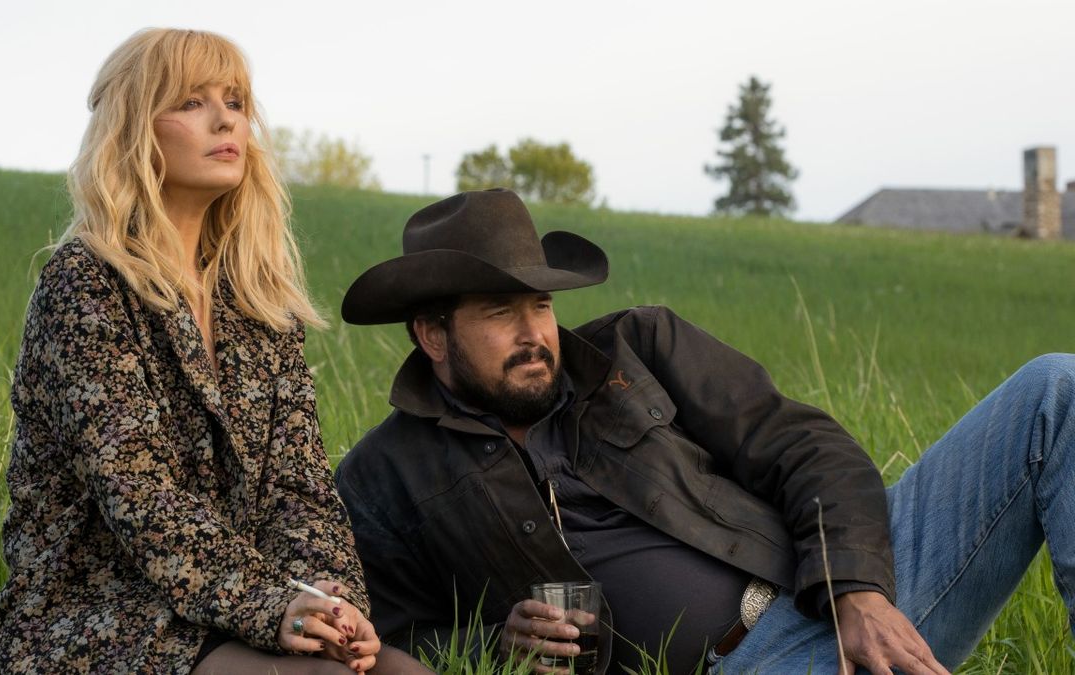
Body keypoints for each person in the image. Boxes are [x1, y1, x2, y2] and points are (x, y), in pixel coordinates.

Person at [334, 188, 1075, 675]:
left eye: (540, 305)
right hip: (746, 666)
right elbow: (385, 638)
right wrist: (496, 643)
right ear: (432, 333)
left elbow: (806, 446)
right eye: (500, 312)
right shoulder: (384, 474)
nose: (535, 333)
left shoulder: (638, 347)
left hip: (837, 594)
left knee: (1055, 388)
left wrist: (856, 588)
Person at [0, 29, 428, 675]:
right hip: (92, 615)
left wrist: (328, 597)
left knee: (396, 671)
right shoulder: (87, 282)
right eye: (191, 102)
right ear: (134, 131)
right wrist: (272, 603)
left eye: (236, 101)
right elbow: (140, 495)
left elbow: (298, 489)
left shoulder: (257, 299)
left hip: (239, 603)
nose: (225, 119)